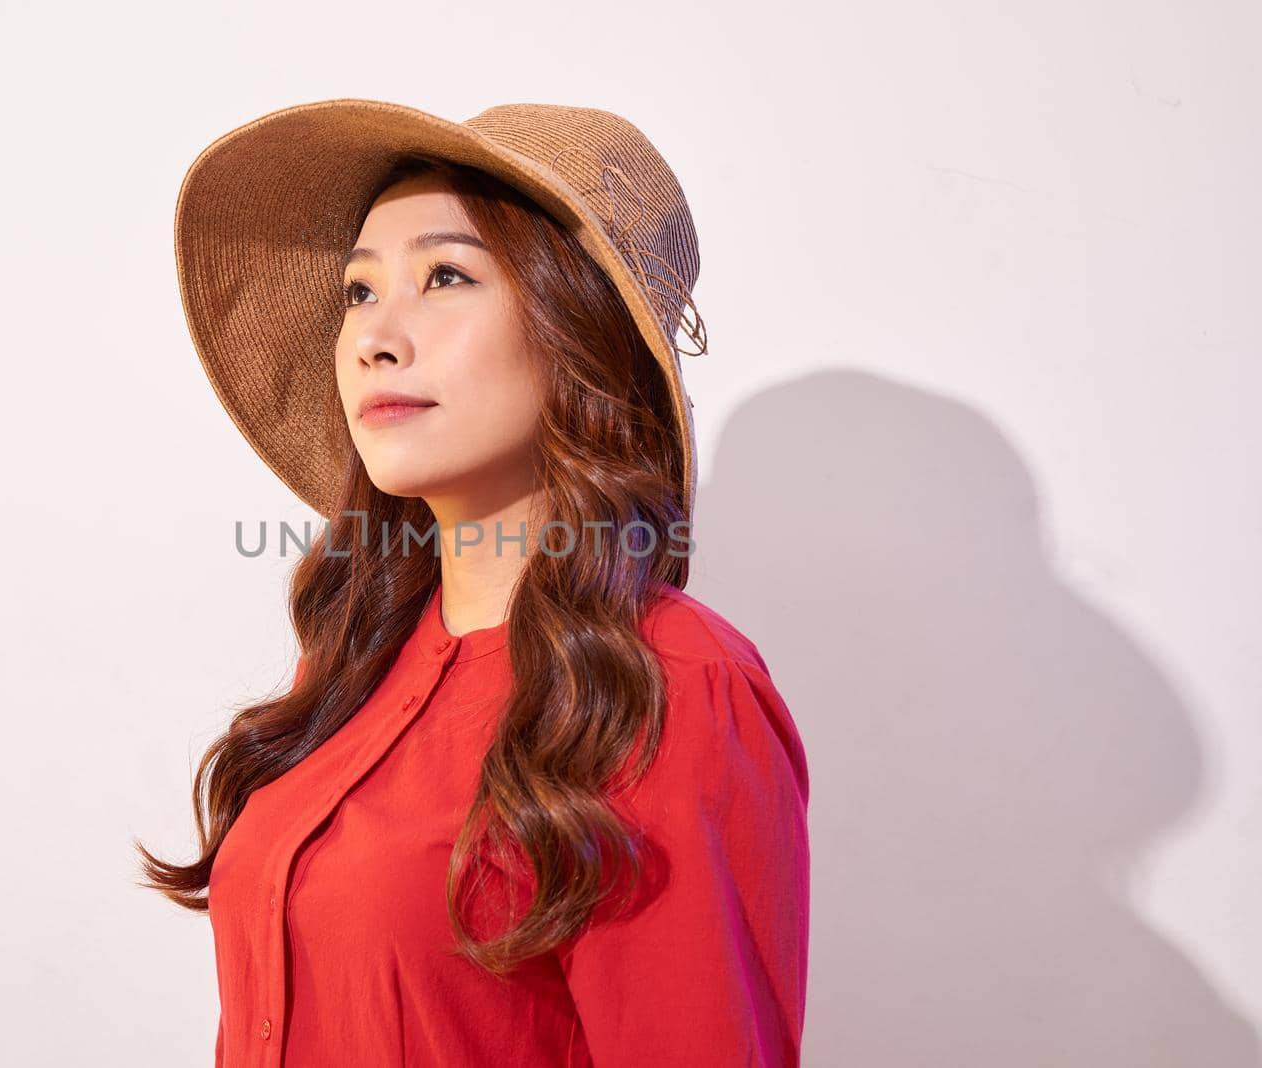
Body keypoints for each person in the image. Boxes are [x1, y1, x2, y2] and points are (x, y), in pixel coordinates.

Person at [136, 99, 810, 1067]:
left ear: (576, 331)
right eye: (358, 292)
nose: (374, 336)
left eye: (445, 276)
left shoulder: (669, 688)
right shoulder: (353, 672)